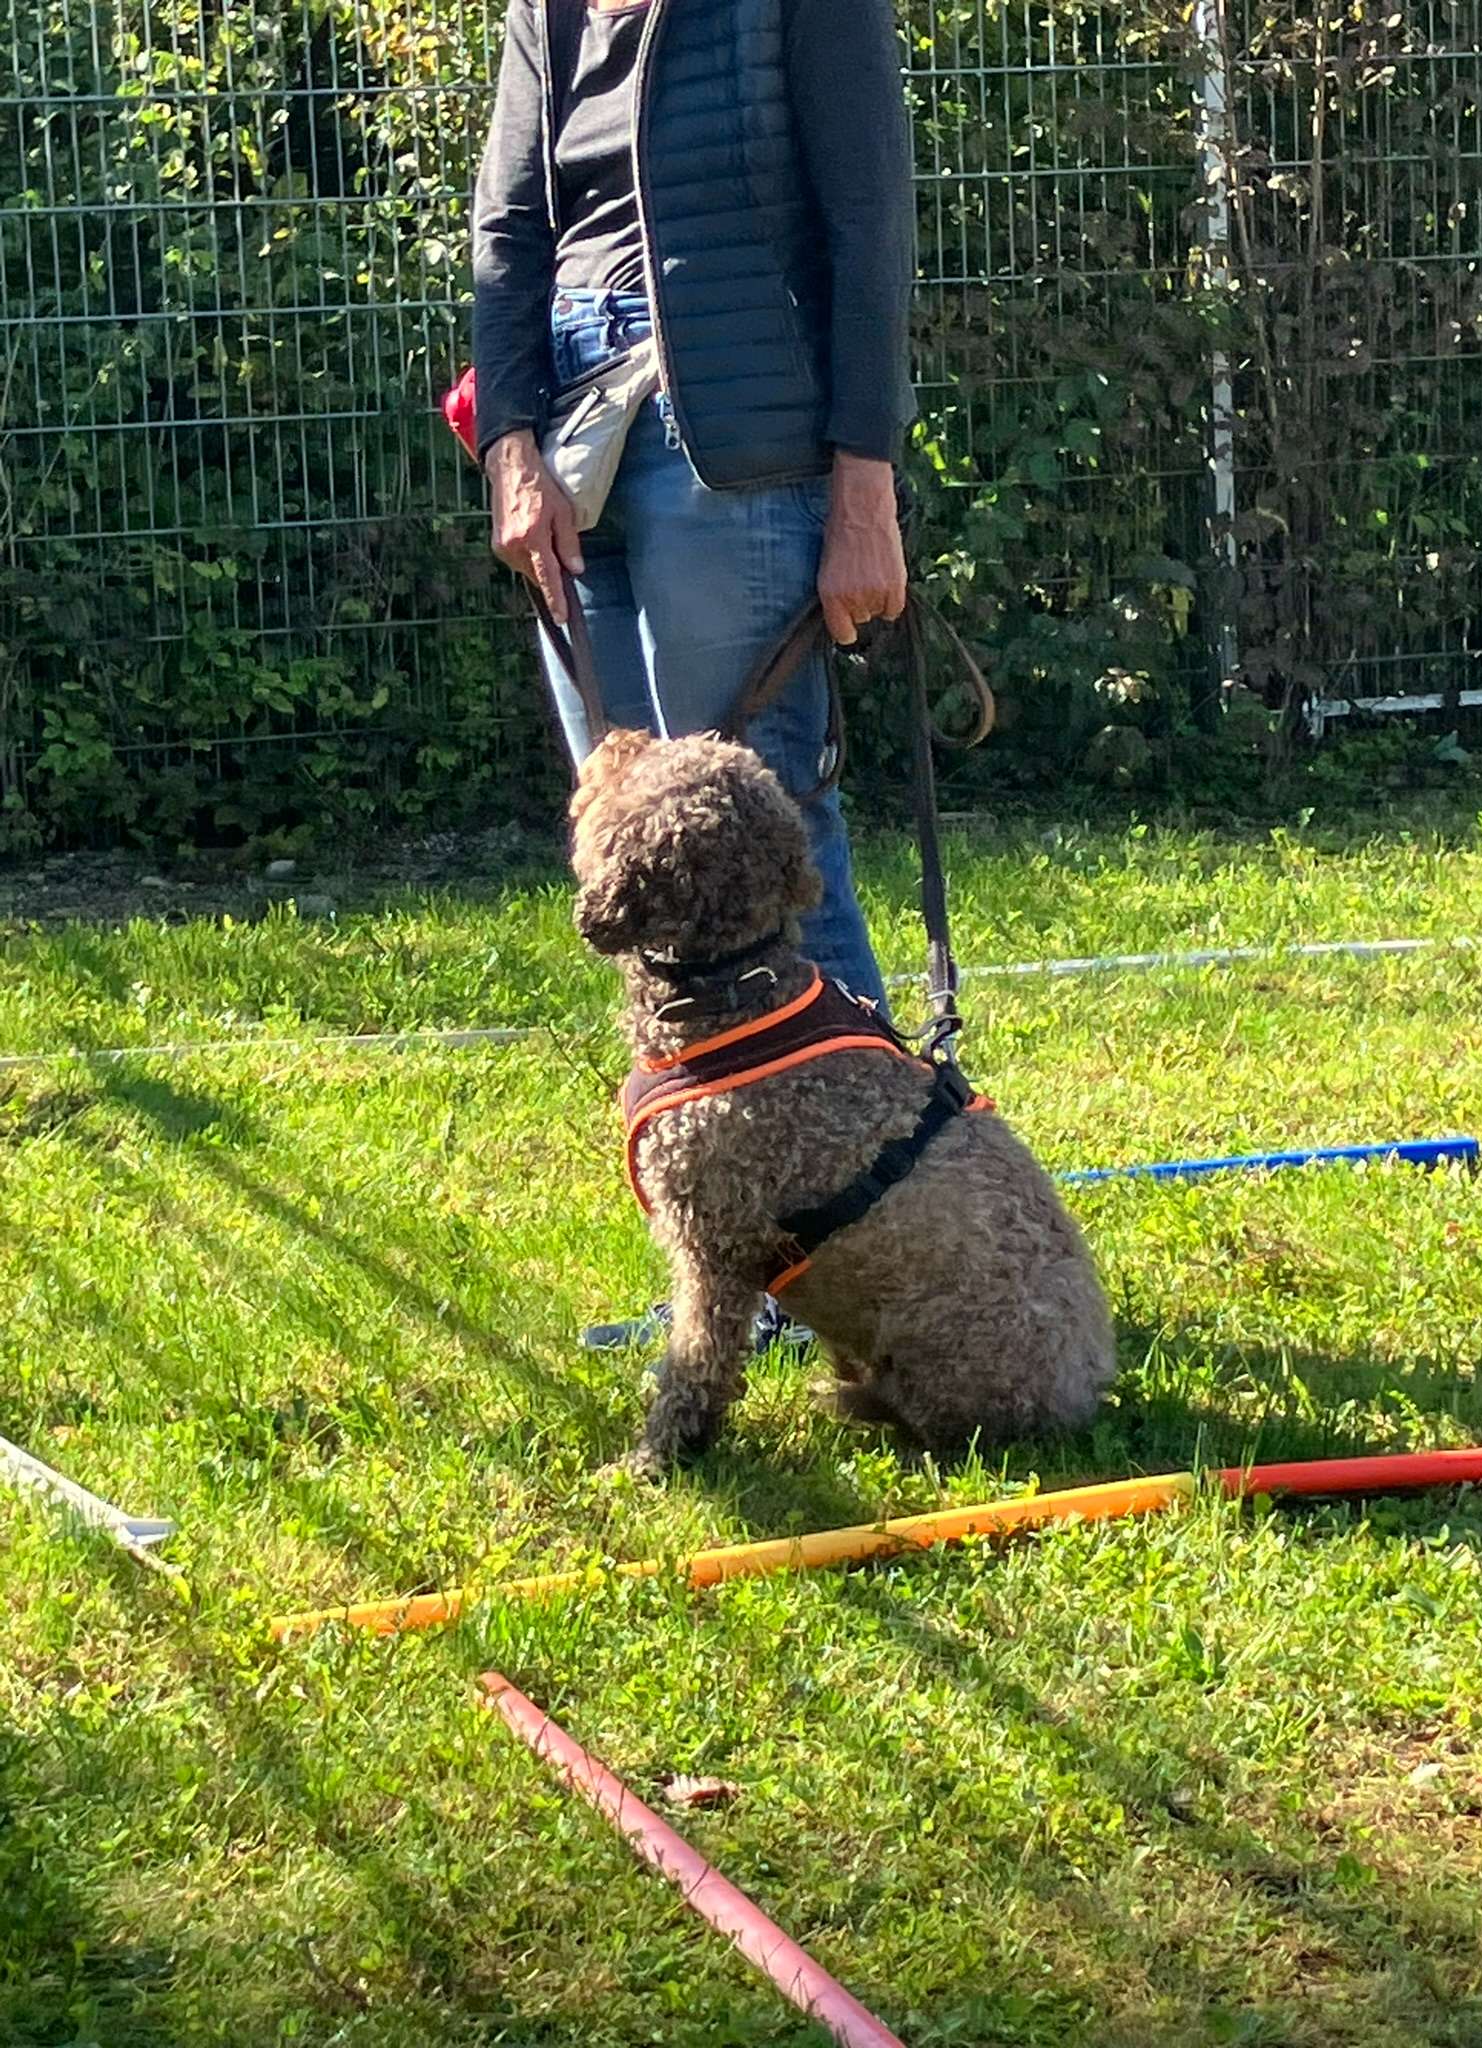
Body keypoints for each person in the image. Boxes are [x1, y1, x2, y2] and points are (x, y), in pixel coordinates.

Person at [472, 0, 915, 1348]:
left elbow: (869, 223)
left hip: (731, 444)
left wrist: (865, 492)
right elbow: (507, 236)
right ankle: (734, 1287)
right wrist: (510, 448)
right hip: (576, 445)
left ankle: (874, 1243)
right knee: (650, 870)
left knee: (768, 848)